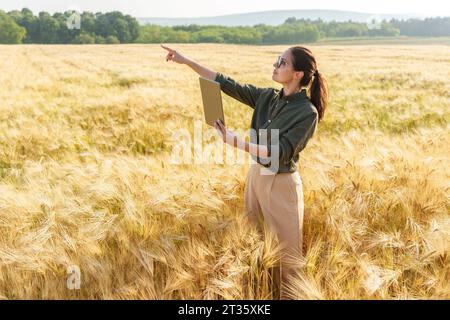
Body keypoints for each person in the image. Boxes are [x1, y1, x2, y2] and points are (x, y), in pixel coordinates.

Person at [161, 44, 328, 300]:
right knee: (255, 247)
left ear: (298, 74)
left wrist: (236, 141)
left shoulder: (307, 113)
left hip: (281, 186)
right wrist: (186, 61)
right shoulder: (267, 97)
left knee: (287, 260)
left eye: (282, 62)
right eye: (277, 60)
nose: (275, 65)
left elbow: (279, 151)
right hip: (256, 177)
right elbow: (224, 82)